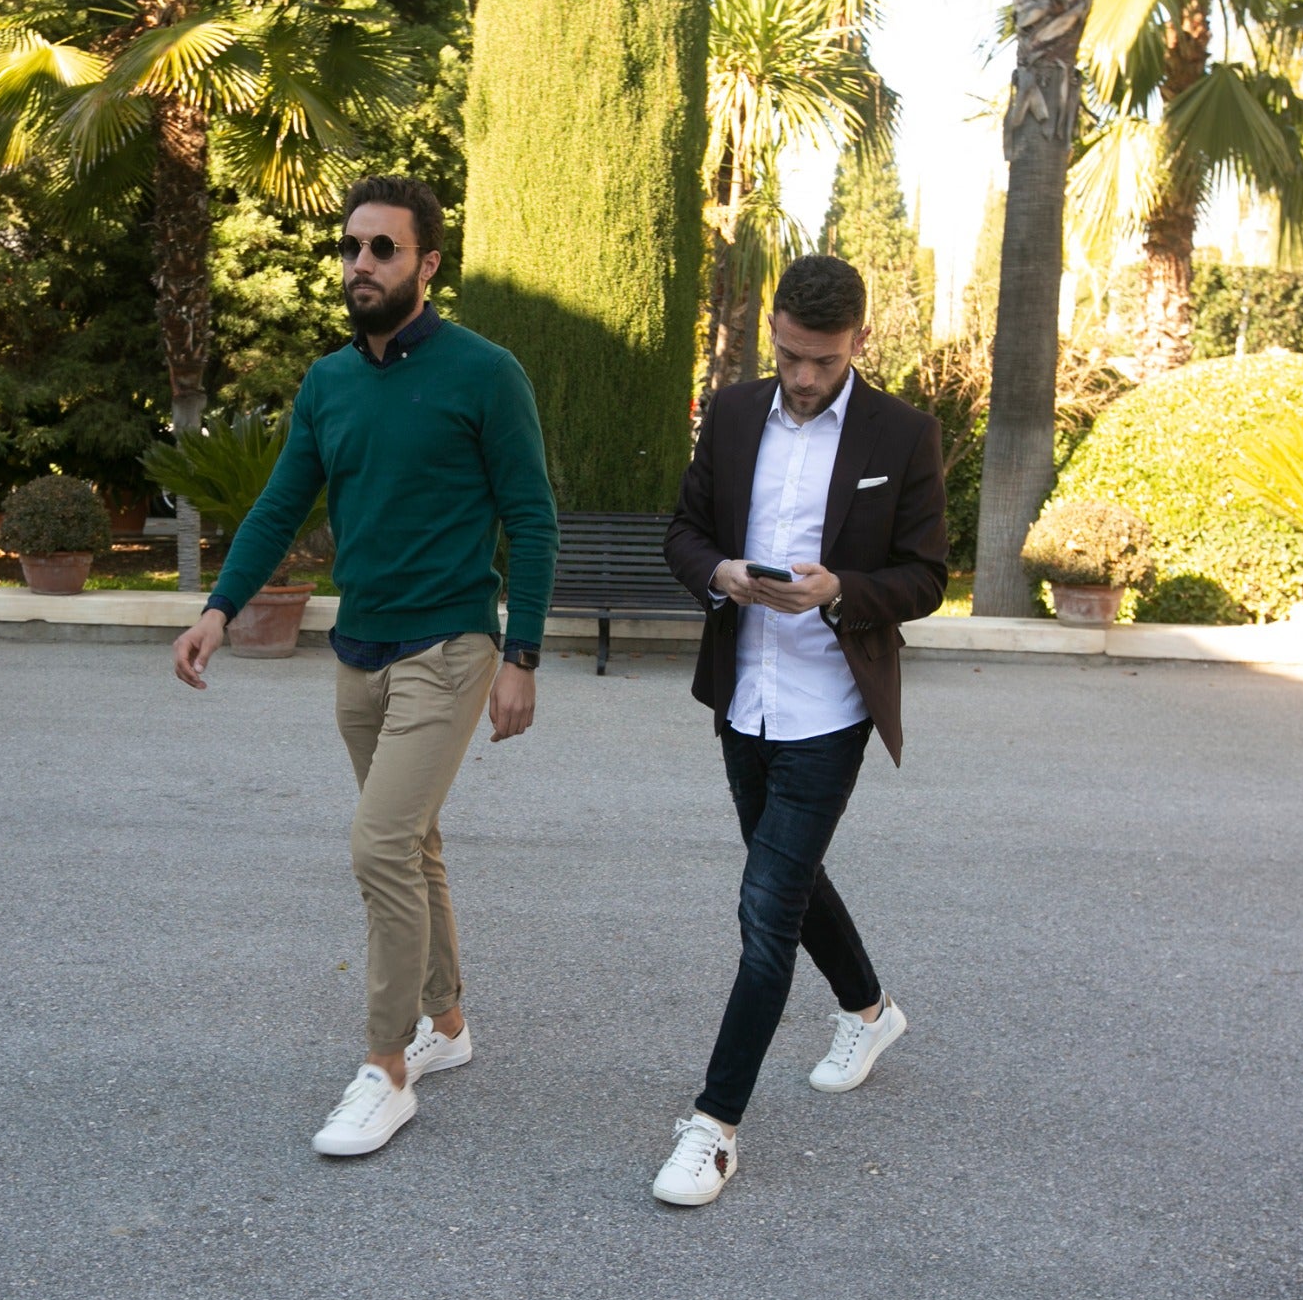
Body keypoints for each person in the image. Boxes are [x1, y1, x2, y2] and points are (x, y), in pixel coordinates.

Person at [170, 175, 559, 1157]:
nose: (360, 266)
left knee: (378, 844)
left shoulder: (484, 373)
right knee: (413, 842)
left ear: (427, 263)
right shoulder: (327, 385)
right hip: (360, 649)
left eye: (382, 250)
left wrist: (521, 656)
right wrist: (218, 609)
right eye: (351, 248)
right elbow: (276, 506)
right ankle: (449, 1024)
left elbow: (531, 517)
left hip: (451, 642)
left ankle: (385, 1067)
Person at [654, 254, 948, 1206]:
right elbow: (683, 534)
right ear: (773, 330)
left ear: (860, 341)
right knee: (792, 872)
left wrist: (842, 591)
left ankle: (713, 1128)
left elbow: (927, 576)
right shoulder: (734, 413)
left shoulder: (904, 434)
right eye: (789, 353)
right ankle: (869, 1008)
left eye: (822, 359)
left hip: (830, 706)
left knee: (765, 911)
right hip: (744, 696)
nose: (804, 375)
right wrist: (725, 574)